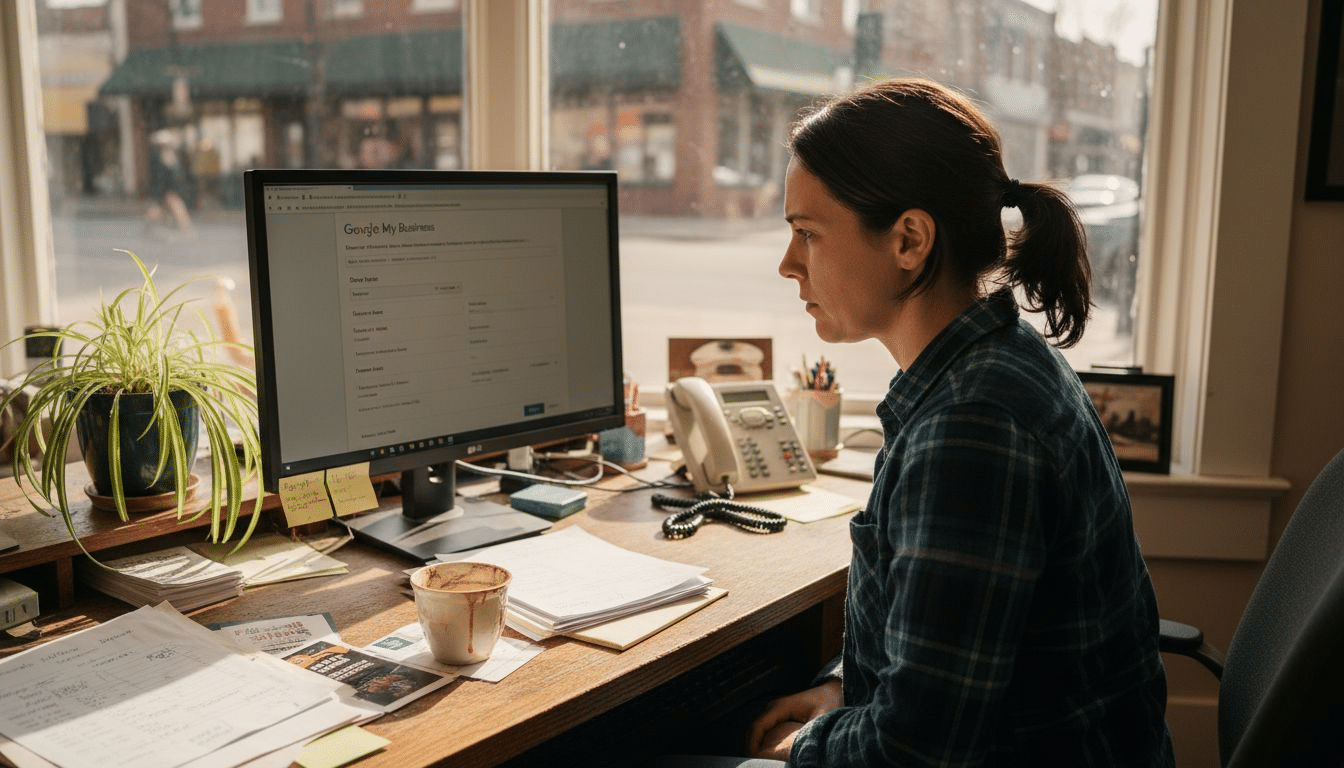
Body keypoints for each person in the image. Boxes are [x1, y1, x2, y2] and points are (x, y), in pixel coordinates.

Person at [661, 78, 1175, 767]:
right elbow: (938, 645)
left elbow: (915, 752)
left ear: (909, 240)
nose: (788, 264)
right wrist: (845, 688)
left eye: (808, 233)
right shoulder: (987, 367)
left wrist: (806, 744)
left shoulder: (973, 426)